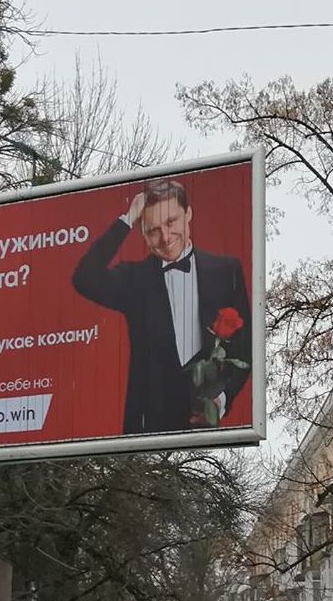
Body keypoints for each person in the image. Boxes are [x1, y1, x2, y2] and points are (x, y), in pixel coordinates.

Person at [73, 178, 252, 434]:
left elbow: (244, 348)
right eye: (153, 230)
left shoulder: (226, 271)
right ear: (142, 233)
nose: (165, 238)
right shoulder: (135, 279)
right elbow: (85, 278)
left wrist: (221, 402)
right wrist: (127, 220)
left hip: (206, 424)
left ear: (188, 214)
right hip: (148, 424)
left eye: (171, 222)